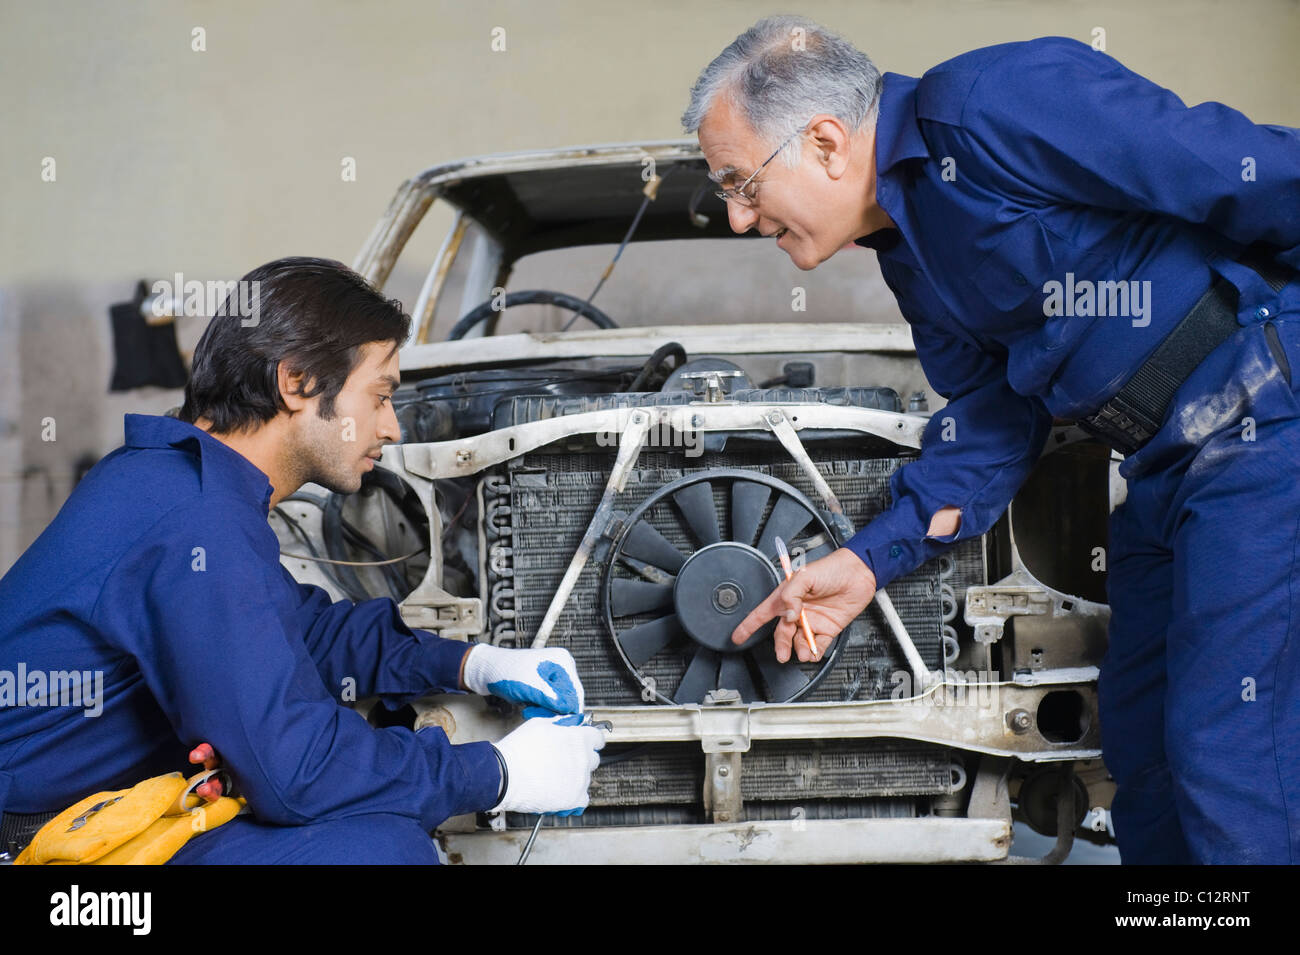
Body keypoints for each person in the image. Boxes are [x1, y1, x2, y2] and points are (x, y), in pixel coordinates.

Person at [688, 16, 1300, 863]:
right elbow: (994, 416)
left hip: (1264, 416)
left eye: (741, 182)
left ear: (826, 141)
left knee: (1227, 748)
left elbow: (1246, 170)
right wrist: (868, 562)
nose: (737, 217)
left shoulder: (990, 107)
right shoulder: (905, 249)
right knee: (1144, 751)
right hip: (1166, 467)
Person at [0, 256, 606, 864]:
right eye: (380, 396)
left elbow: (299, 627)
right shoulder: (195, 517)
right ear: (297, 384)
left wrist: (471, 662)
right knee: (374, 855)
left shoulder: (176, 481)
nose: (392, 428)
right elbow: (294, 773)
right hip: (47, 846)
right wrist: (496, 771)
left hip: (103, 815)